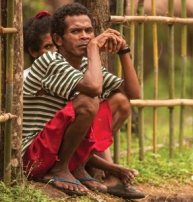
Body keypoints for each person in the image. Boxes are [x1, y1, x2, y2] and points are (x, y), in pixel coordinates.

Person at [22, 3, 144, 199]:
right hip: (33, 156)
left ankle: (77, 165)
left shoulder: (86, 65)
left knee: (121, 101)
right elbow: (94, 88)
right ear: (58, 39)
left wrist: (123, 50)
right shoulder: (48, 60)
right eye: (75, 31)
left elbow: (133, 93)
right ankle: (59, 169)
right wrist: (95, 46)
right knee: (89, 100)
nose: (85, 36)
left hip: (54, 149)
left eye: (89, 31)